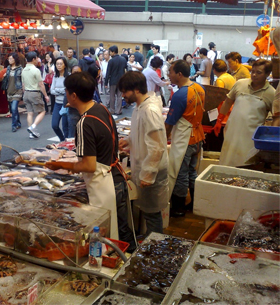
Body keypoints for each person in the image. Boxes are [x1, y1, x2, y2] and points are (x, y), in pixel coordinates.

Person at [45, 72, 136, 251]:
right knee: (121, 231)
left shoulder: (84, 122)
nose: (65, 95)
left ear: (73, 96)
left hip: (104, 184)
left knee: (104, 236)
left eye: (66, 92)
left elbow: (89, 165)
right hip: (116, 178)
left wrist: (60, 165)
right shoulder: (101, 108)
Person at [118, 71, 169, 236]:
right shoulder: (139, 107)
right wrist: (129, 140)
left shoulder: (150, 110)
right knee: (147, 211)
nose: (123, 95)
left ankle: (155, 247)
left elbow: (158, 146)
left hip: (153, 170)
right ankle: (149, 239)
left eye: (125, 91)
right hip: (144, 166)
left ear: (136, 90)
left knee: (152, 213)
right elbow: (142, 134)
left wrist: (148, 173)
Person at [214, 59, 275, 167]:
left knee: (246, 164)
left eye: (259, 72)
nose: (254, 75)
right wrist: (219, 120)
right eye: (253, 71)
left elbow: (276, 117)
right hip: (232, 132)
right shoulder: (240, 84)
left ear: (267, 74)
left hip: (251, 138)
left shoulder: (271, 93)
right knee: (226, 161)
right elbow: (227, 102)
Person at [166, 60, 205, 217]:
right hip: (198, 137)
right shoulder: (199, 88)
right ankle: (194, 203)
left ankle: (178, 208)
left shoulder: (180, 95)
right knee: (191, 172)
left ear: (179, 74)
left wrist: (160, 140)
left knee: (180, 173)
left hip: (186, 139)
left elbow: (169, 123)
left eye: (171, 71)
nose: (169, 74)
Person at [22, 51, 49, 139]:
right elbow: (41, 84)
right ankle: (33, 127)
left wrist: (24, 92)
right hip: (34, 93)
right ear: (33, 59)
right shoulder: (35, 70)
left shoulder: (23, 70)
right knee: (42, 111)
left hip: (26, 93)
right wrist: (45, 95)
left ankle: (31, 133)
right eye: (37, 58)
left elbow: (23, 84)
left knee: (30, 113)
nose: (38, 60)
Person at [2, 53, 23, 132]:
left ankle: (14, 125)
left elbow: (22, 80)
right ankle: (18, 123)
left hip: (17, 90)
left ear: (15, 59)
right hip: (9, 90)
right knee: (13, 109)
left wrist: (23, 89)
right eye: (9, 59)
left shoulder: (20, 69)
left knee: (14, 108)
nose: (9, 60)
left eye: (11, 58)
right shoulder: (8, 68)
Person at [50, 57, 69, 142]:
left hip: (66, 104)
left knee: (66, 127)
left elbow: (67, 91)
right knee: (54, 125)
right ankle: (62, 139)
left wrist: (57, 90)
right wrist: (61, 90)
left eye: (61, 64)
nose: (59, 65)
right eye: (57, 64)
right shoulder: (55, 76)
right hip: (57, 104)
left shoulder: (68, 76)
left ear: (65, 65)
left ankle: (67, 144)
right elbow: (51, 90)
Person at [105, 45, 127, 115]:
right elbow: (126, 70)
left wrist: (106, 83)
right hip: (121, 81)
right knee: (119, 96)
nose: (109, 53)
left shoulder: (111, 61)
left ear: (113, 52)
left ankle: (112, 110)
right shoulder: (123, 59)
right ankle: (119, 110)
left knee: (112, 96)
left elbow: (108, 72)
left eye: (110, 52)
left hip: (113, 81)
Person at [66, 65, 82, 138]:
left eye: (78, 72)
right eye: (74, 72)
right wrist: (78, 103)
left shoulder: (85, 84)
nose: (76, 75)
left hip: (84, 115)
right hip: (73, 115)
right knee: (72, 137)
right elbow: (65, 103)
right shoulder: (69, 86)